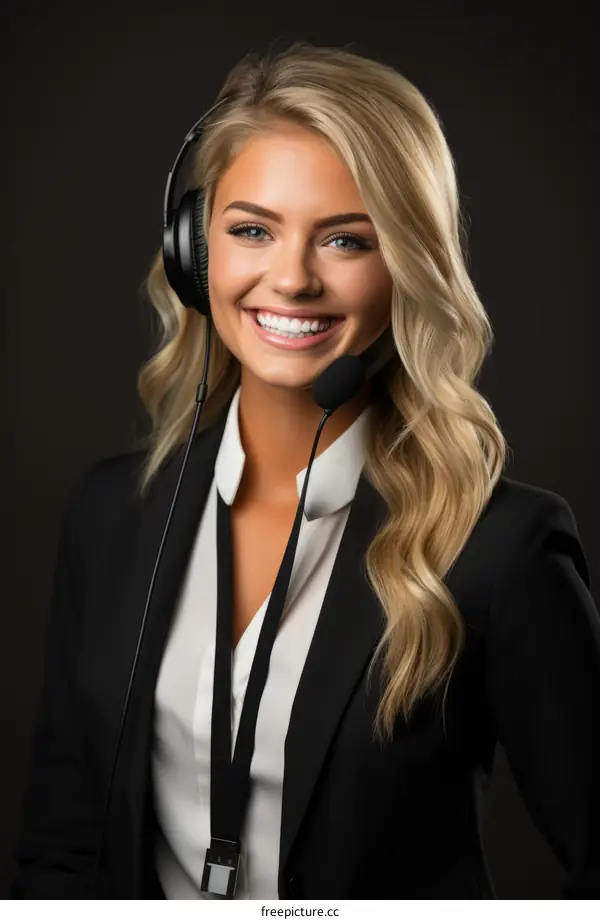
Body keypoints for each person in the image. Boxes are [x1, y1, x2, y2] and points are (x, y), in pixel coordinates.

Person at [10, 40, 600, 900]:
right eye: (251, 230)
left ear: (406, 265)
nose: (290, 278)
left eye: (346, 241)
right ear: (192, 250)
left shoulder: (502, 548)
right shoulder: (112, 512)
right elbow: (58, 851)